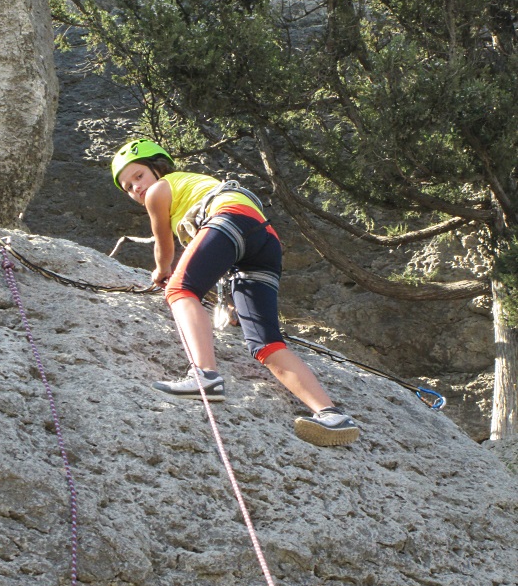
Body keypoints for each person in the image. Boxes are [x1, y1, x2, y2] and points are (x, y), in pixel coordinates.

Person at [112, 138, 359, 447]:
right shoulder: (195, 189)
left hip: (228, 218)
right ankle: (331, 415)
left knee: (179, 288)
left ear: (158, 169)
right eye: (127, 186)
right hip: (262, 239)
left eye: (138, 176)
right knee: (266, 345)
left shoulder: (162, 190)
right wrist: (231, 308)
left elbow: (164, 244)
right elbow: (219, 259)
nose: (135, 187)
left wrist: (162, 272)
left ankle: (205, 375)